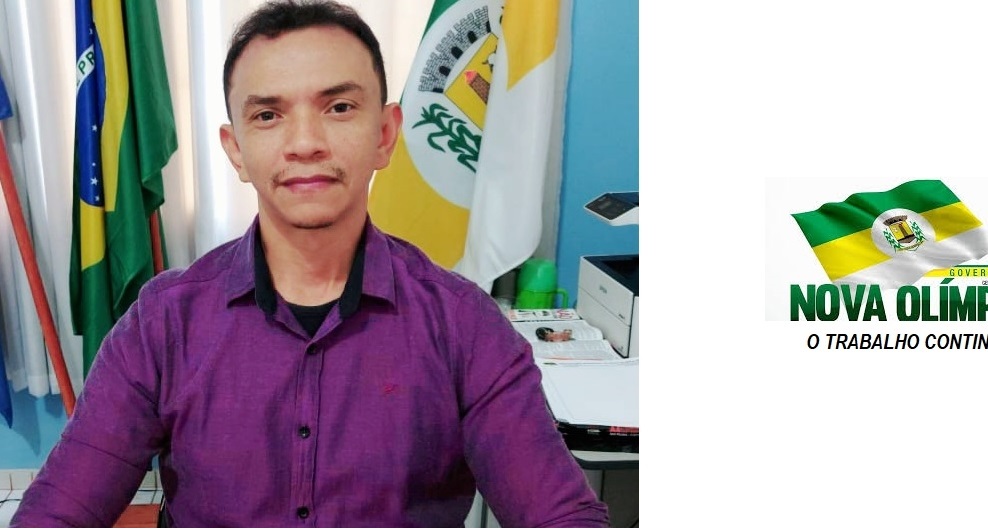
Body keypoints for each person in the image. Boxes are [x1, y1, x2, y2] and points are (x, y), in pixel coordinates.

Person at [12, 1, 608, 527]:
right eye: (268, 115)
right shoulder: (164, 322)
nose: (304, 143)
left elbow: (561, 514)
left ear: (385, 134)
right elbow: (59, 508)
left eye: (339, 107)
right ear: (236, 150)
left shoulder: (463, 325)